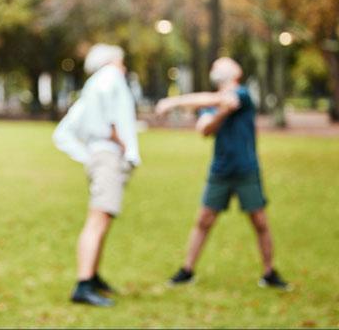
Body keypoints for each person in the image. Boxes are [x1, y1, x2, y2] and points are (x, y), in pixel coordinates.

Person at [155, 57, 291, 290]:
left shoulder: (244, 94)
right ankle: (187, 270)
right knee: (203, 220)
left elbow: (224, 100)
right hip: (220, 170)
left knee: (260, 222)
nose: (216, 66)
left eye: (222, 64)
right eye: (215, 64)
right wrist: (222, 113)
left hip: (246, 169)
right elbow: (205, 129)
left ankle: (269, 273)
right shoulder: (212, 102)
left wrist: (174, 102)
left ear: (235, 72)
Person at [53, 44, 141, 307]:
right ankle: (83, 284)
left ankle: (92, 276)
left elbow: (64, 131)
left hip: (100, 156)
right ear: (112, 60)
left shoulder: (92, 85)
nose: (123, 65)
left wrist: (87, 155)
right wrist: (117, 136)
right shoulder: (108, 78)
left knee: (103, 218)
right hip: (108, 156)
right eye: (121, 60)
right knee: (98, 219)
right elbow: (109, 115)